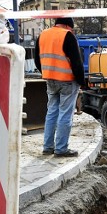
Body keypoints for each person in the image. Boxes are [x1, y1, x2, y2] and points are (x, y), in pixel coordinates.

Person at [34, 17, 85, 157]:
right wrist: (82, 81)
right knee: (65, 114)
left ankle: (47, 147)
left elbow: (37, 60)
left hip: (50, 80)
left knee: (51, 113)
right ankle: (61, 149)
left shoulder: (43, 34)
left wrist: (46, 72)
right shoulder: (67, 36)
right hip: (67, 81)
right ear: (69, 26)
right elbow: (77, 62)